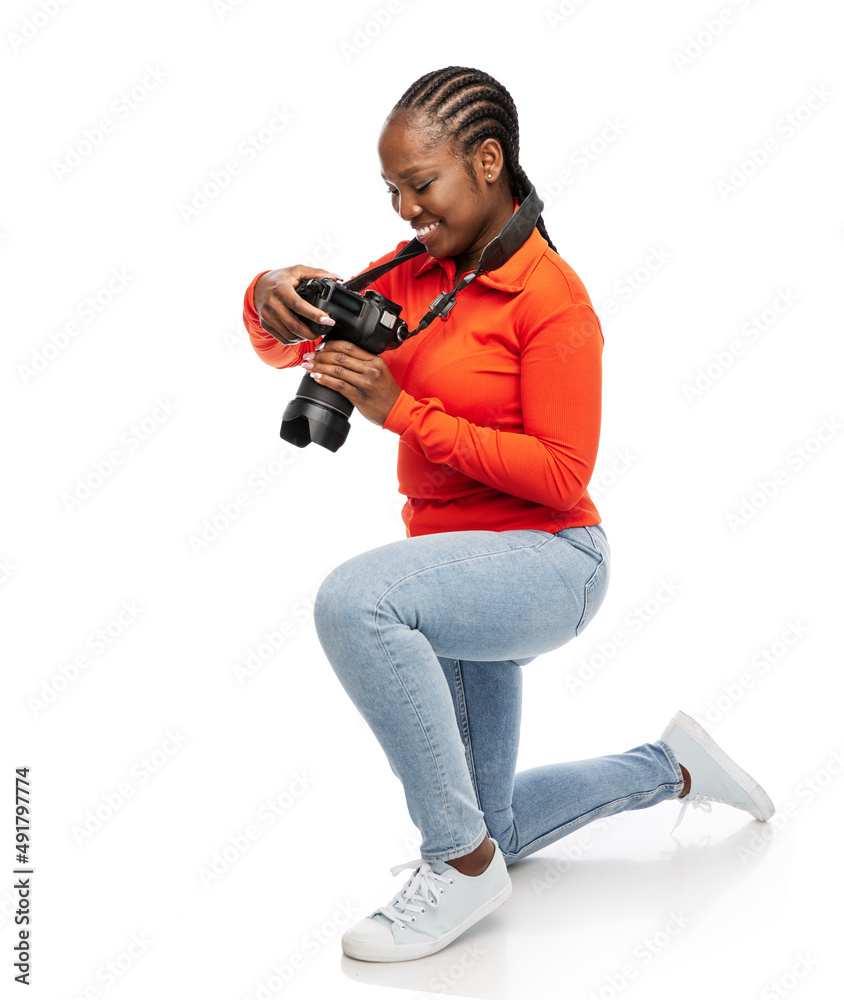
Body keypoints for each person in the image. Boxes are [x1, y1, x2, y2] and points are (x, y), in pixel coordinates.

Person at [242, 66, 775, 964]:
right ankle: (672, 767)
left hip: (551, 561)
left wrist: (401, 413)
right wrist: (267, 292)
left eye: (422, 185)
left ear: (487, 161)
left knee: (355, 603)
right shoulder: (416, 275)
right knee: (504, 821)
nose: (406, 208)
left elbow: (563, 478)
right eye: (393, 190)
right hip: (450, 578)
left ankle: (456, 862)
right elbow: (284, 337)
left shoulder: (553, 301)